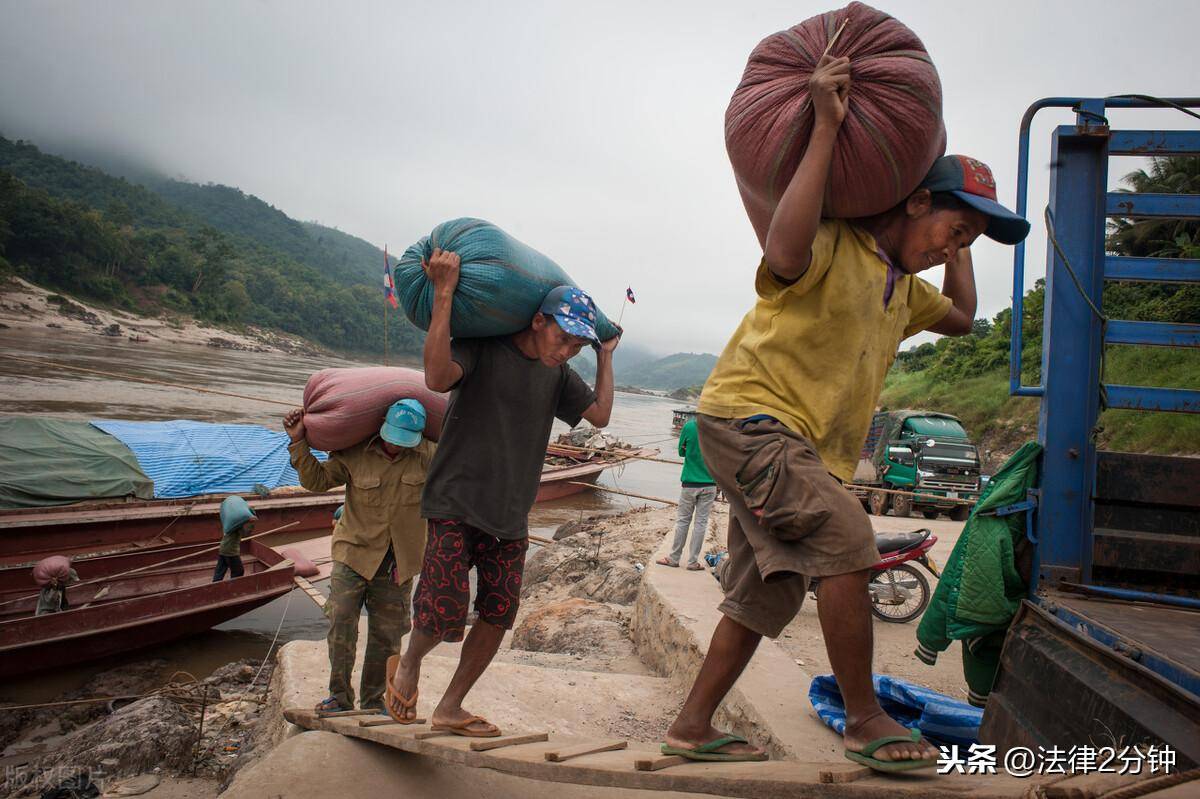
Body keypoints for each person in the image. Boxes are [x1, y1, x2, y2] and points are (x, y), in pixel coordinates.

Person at [659, 55, 1030, 771]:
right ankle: (865, 717)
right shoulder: (838, 245)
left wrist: (965, 238)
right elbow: (783, 245)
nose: (952, 249)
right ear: (917, 201)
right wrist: (826, 127)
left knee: (763, 594)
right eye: (950, 230)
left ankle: (692, 724)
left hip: (796, 446)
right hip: (749, 420)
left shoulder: (905, 287)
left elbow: (959, 317)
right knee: (846, 532)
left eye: (965, 244)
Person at [387, 249, 618, 736]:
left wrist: (604, 355)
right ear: (538, 321)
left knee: (497, 614)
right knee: (443, 607)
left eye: (577, 346)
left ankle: (451, 706)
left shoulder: (558, 376)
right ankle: (408, 663)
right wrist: (444, 294)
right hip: (455, 500)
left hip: (511, 513)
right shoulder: (484, 348)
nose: (565, 351)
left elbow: (599, 415)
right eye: (563, 338)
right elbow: (434, 376)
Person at [285, 399, 435, 714]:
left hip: (398, 562)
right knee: (341, 622)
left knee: (387, 635)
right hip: (353, 555)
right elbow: (316, 481)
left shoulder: (429, 456)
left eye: (403, 441)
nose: (395, 446)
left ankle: (372, 701)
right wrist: (298, 440)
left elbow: (463, 477)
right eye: (391, 437)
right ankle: (339, 697)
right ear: (382, 425)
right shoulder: (354, 453)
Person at [656, 416, 717, 571]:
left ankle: (674, 558)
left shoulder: (689, 426)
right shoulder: (719, 430)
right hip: (710, 484)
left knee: (683, 521)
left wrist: (691, 451)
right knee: (701, 523)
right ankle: (692, 562)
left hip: (690, 483)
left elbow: (681, 452)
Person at [213, 496, 254, 582]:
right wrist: (251, 524)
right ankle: (234, 589)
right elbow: (245, 534)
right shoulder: (238, 523)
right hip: (231, 551)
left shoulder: (231, 522)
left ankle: (214, 587)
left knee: (219, 572)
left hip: (223, 548)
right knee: (238, 572)